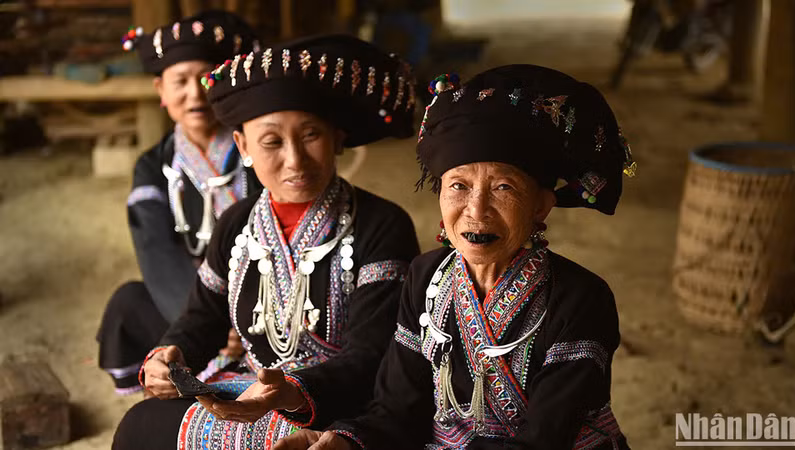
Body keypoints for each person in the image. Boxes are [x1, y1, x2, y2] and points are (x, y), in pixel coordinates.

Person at [276, 66, 636, 449]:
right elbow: (398, 408)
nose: (476, 210)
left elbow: (545, 440)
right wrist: (348, 441)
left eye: (503, 187)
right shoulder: (426, 276)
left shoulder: (581, 298)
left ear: (540, 207)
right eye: (459, 186)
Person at [112, 35, 420, 449]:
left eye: (311, 135)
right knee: (141, 425)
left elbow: (372, 355)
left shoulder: (383, 225)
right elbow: (202, 319)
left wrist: (290, 390)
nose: (294, 160)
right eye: (272, 142)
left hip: (338, 399)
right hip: (250, 384)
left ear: (337, 137)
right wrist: (172, 355)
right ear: (244, 146)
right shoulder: (237, 223)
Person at [97, 11, 261, 395]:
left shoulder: (257, 151)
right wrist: (210, 326)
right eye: (180, 82)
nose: (194, 93)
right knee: (128, 303)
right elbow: (156, 252)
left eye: (205, 78)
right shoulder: (153, 167)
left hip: (263, 300)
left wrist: (246, 320)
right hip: (193, 304)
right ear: (161, 90)